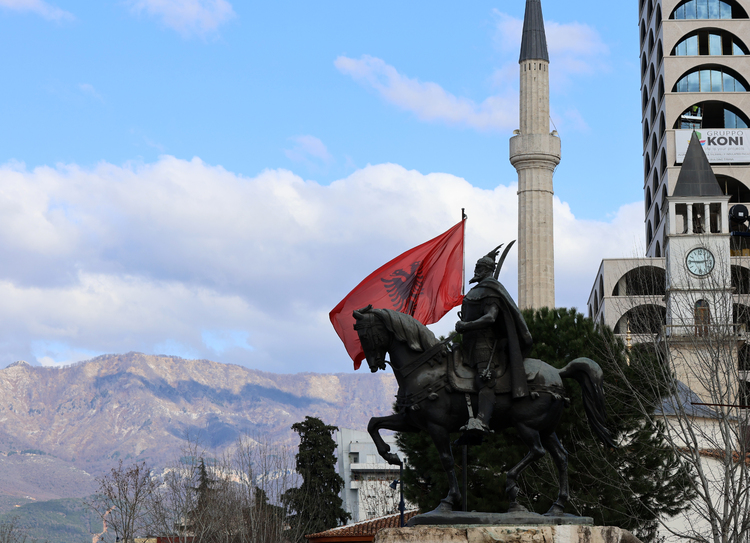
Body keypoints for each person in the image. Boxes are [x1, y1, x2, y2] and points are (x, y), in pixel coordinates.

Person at [455, 246, 533, 433]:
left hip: (485, 343)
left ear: (487, 270)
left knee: (485, 378)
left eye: (479, 268)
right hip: (469, 342)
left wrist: (466, 326)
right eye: (476, 267)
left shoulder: (491, 290)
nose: (476, 271)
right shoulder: (479, 289)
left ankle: (482, 420)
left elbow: (490, 317)